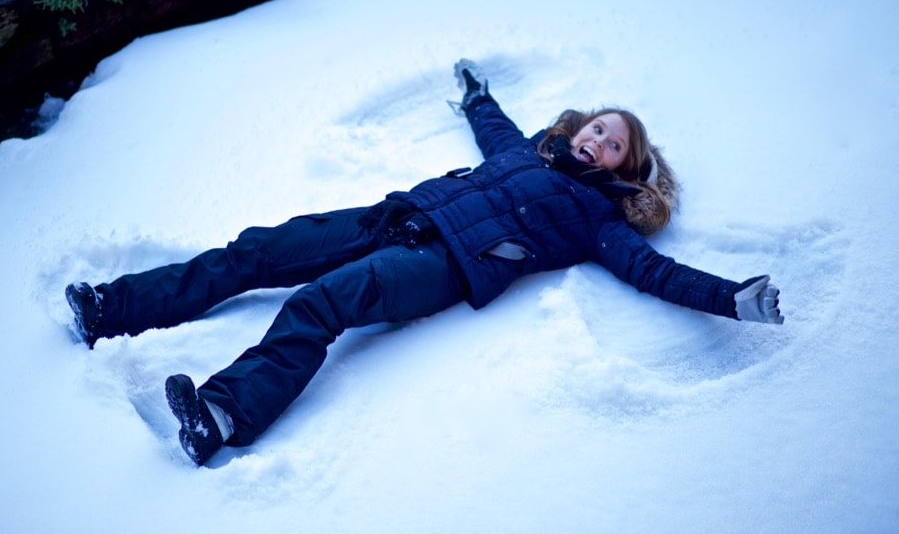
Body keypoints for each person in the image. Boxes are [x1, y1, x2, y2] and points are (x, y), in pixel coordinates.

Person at [65, 60, 783, 466]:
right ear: (578, 126)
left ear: (628, 166)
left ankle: (221, 414)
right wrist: (477, 97)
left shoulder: (599, 218)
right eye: (597, 127)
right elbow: (496, 129)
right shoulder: (527, 149)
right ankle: (113, 307)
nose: (599, 141)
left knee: (321, 302)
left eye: (615, 144)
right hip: (398, 212)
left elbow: (657, 273)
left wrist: (733, 297)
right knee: (258, 249)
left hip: (441, 263)